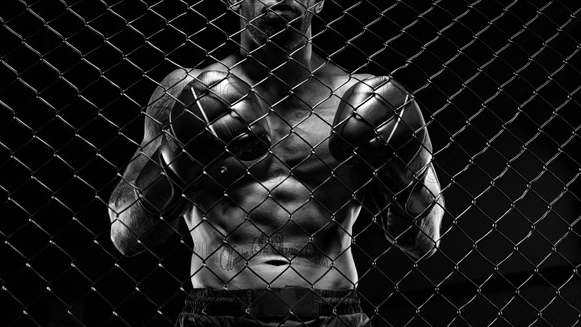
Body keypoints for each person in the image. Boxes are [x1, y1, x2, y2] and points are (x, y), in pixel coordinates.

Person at [108, 0, 445, 326]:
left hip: (333, 312)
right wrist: (176, 158)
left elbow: (424, 241)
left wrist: (405, 172)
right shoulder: (184, 92)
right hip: (219, 312)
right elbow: (127, 235)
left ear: (319, 2)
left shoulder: (370, 100)